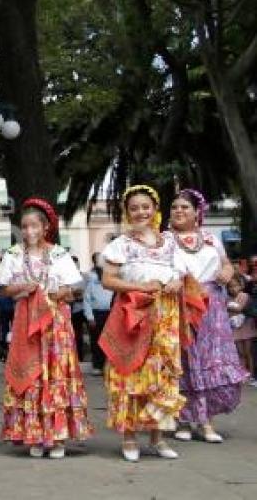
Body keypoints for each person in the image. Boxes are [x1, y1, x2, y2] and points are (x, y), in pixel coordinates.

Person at [99, 184, 193, 462]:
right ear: (128, 213)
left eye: (145, 207)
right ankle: (129, 437)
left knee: (163, 374)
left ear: (154, 209)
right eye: (134, 208)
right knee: (131, 372)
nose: (140, 212)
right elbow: (108, 280)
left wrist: (176, 281)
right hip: (135, 314)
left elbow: (182, 274)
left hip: (167, 314)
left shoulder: (170, 242)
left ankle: (158, 438)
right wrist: (139, 286)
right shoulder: (121, 244)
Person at [0, 198, 92, 459]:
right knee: (32, 373)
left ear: (46, 227)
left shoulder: (59, 253)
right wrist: (22, 288)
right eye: (24, 227)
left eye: (34, 226)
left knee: (56, 372)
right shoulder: (14, 254)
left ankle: (57, 436)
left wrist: (63, 291)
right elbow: (3, 287)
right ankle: (34, 433)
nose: (28, 232)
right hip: (27, 319)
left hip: (55, 320)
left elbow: (75, 287)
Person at [169, 189, 249, 443]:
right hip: (180, 305)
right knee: (183, 361)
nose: (179, 211)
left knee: (210, 361)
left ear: (197, 212)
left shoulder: (211, 238)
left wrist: (227, 271)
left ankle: (206, 422)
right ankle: (183, 419)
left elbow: (225, 263)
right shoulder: (164, 240)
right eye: (174, 207)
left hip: (212, 308)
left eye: (185, 207)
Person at [83, 252, 114, 375]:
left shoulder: (114, 282)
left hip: (111, 315)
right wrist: (90, 317)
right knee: (96, 341)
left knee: (111, 342)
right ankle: (97, 366)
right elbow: (87, 300)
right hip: (96, 315)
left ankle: (109, 367)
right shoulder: (92, 283)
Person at [228, 274, 256, 383]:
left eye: (235, 286)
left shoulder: (244, 295)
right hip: (236, 329)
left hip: (246, 327)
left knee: (248, 352)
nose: (233, 288)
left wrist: (226, 306)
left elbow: (239, 308)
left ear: (241, 285)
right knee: (240, 353)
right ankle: (243, 374)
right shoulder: (229, 298)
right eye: (230, 286)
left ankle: (252, 374)